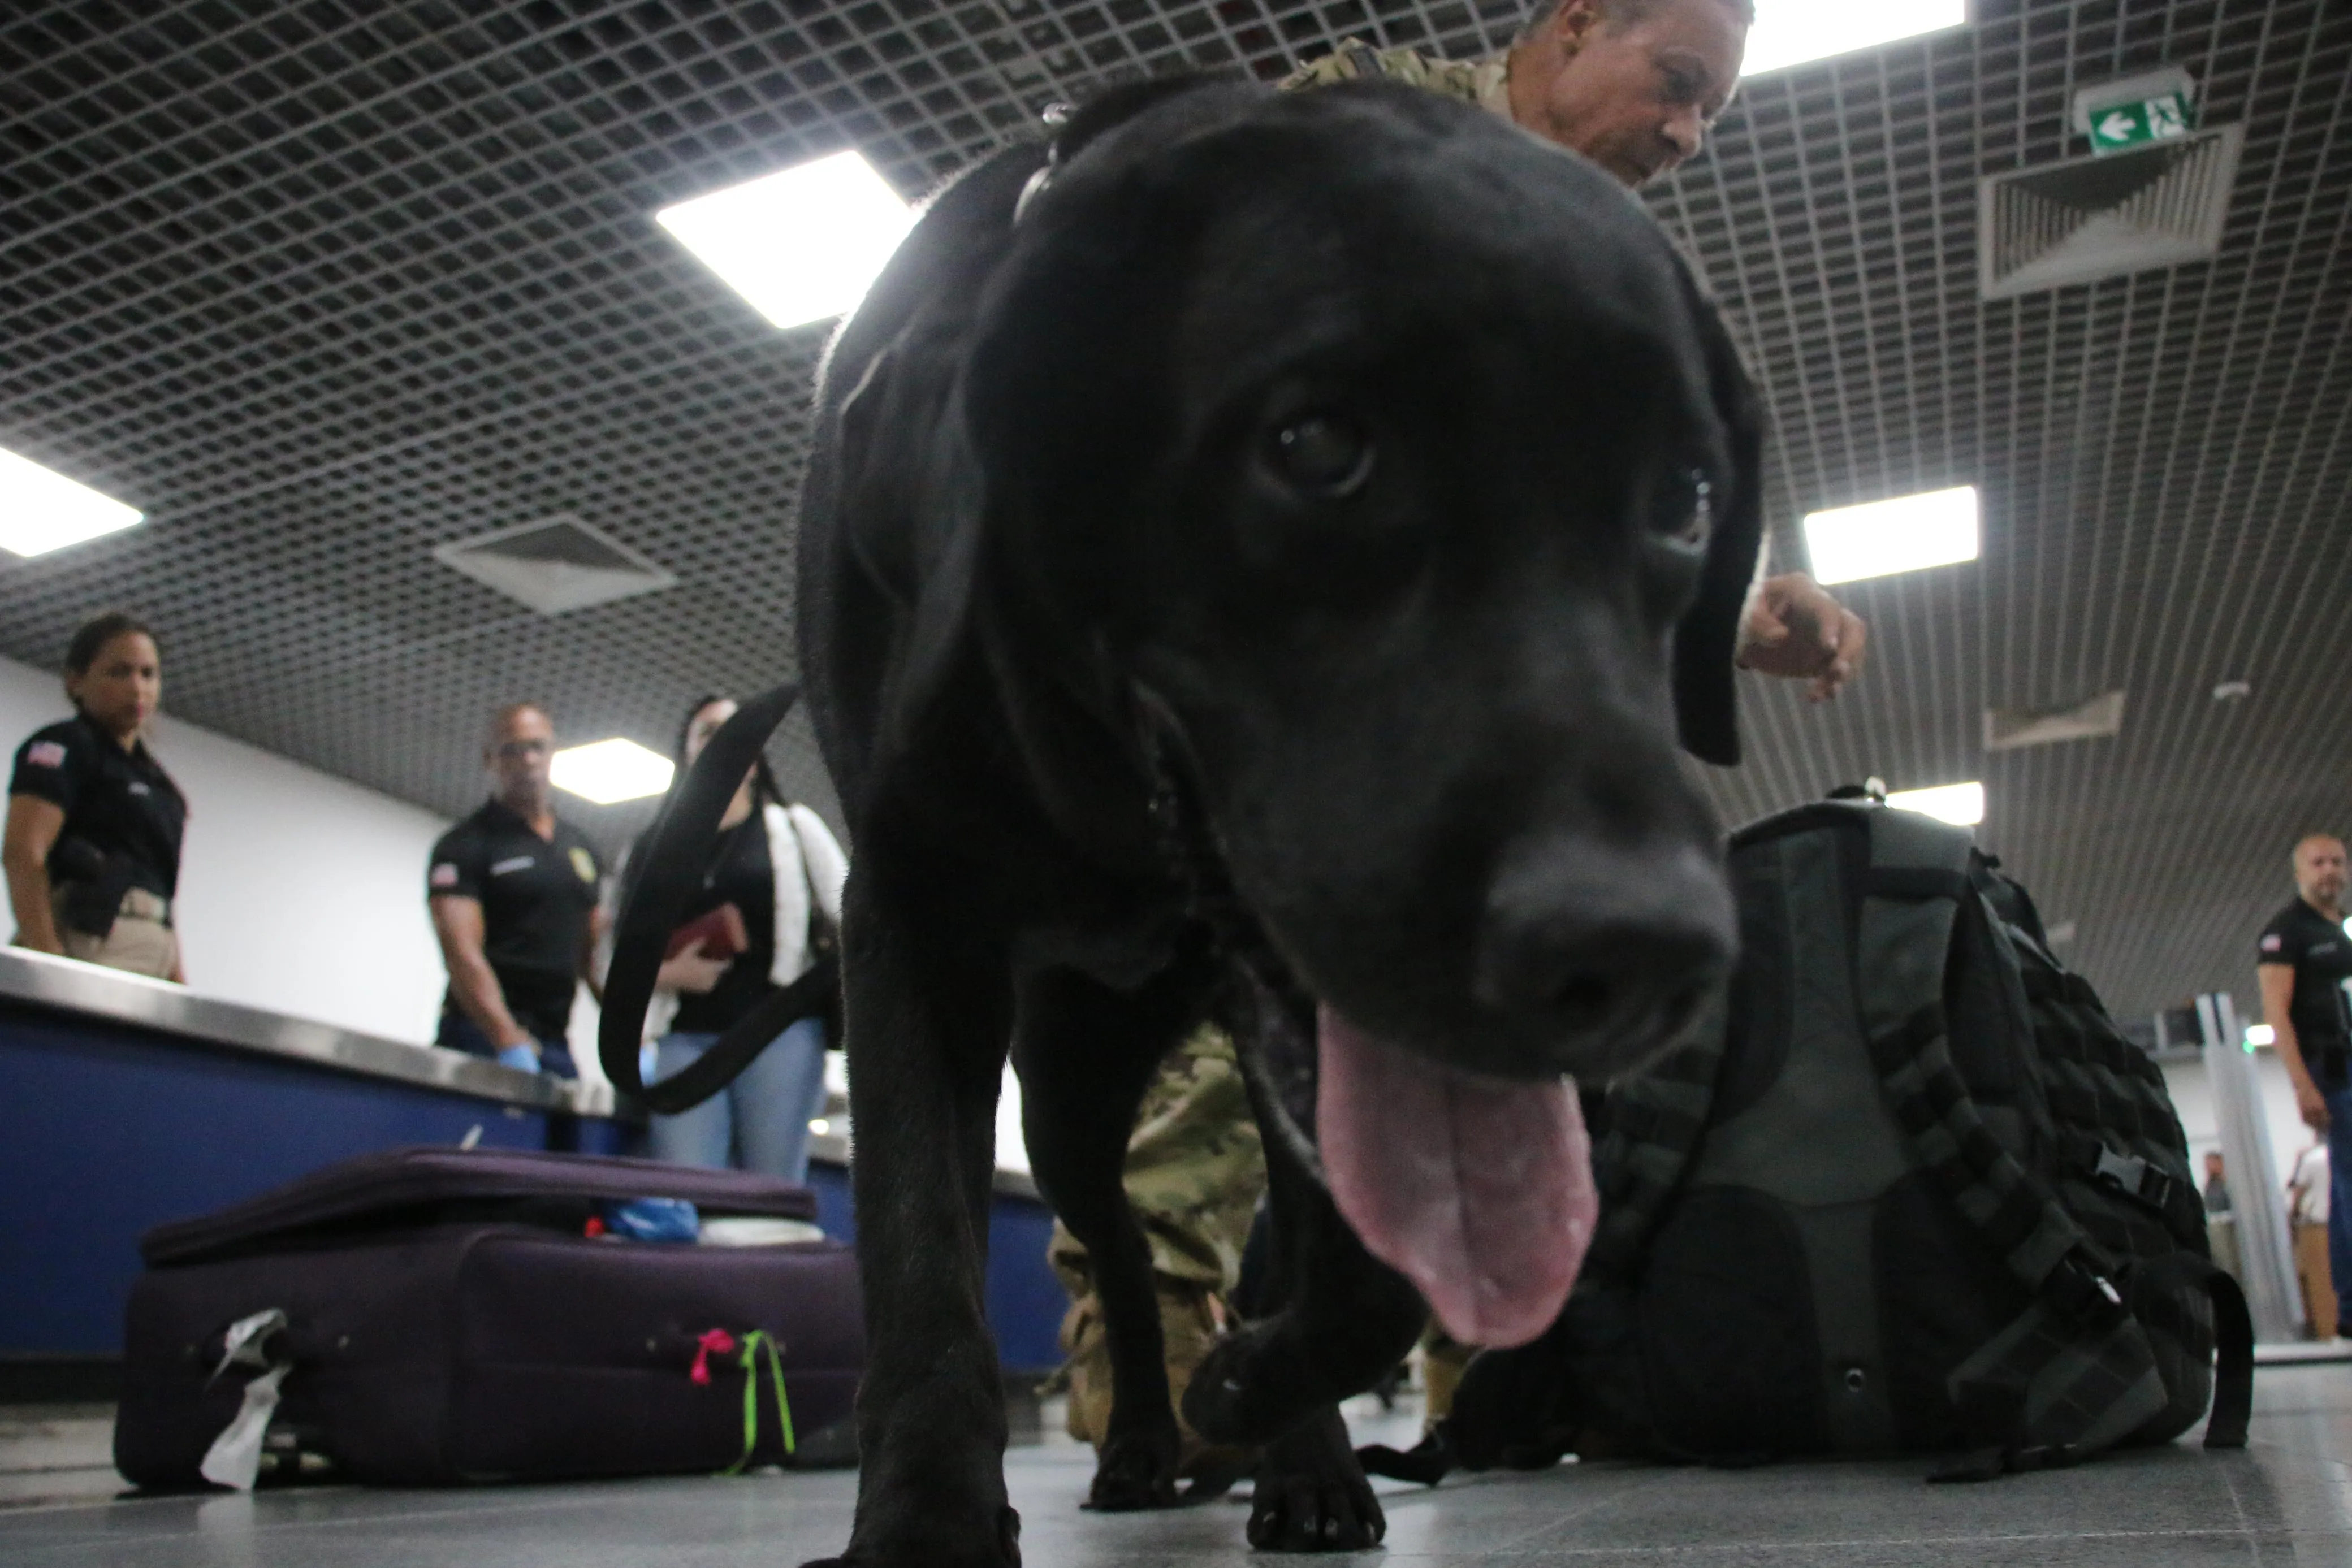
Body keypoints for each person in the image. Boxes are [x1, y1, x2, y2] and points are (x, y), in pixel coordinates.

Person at [1050, 0, 1874, 1461]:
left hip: (1486, 747)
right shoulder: (1353, 124)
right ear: (1573, 26)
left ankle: (1476, 1396)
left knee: (1500, 1049)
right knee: (1205, 1076)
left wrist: (1728, 611)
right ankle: (1155, 1405)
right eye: (1678, 84)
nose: (1687, 134)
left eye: (1712, 117)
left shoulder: (1602, 270)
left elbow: (1555, 537)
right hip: (1313, 720)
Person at [602, 695, 848, 1182]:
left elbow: (855, 917)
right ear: (688, 751)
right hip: (686, 1039)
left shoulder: (794, 827)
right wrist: (669, 974)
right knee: (685, 1188)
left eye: (734, 729)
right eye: (708, 731)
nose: (723, 740)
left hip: (780, 1034)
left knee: (772, 1187)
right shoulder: (652, 848)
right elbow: (615, 957)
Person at [5, 612, 189, 982]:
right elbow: (23, 852)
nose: (137, 688)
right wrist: (48, 964)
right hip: (92, 935)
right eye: (119, 673)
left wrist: (178, 983)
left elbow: (160, 890)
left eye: (148, 674)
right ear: (76, 681)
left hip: (153, 943)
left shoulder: (161, 785)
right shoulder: (64, 746)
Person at [426, 703, 603, 1077]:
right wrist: (506, 1038)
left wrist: (633, 1036)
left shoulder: (580, 847)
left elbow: (593, 958)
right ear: (490, 760)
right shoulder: (464, 846)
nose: (528, 759)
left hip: (554, 1042)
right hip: (481, 1038)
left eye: (538, 747)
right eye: (513, 749)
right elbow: (462, 954)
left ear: (553, 752)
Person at [2257, 832, 2352, 1338]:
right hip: (2327, 1069)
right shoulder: (2286, 932)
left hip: (2347, 1061)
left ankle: (2349, 1309)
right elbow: (2276, 1011)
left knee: (2345, 1182)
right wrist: (2301, 1085)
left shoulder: (2338, 928)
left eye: (2337, 861)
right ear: (2300, 872)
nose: (2330, 870)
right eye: (2319, 863)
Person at [2288, 1137, 2335, 1339]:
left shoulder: (2312, 1159)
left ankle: (2328, 1329)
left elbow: (2298, 1194)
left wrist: (2292, 1216)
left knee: (2323, 1282)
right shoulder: (2337, 1154)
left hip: (2316, 1226)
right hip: (2338, 1221)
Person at [2202, 1150, 2241, 1285]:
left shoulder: (2228, 1183)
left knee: (2231, 1261)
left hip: (2227, 1225)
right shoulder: (2209, 1185)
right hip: (2215, 1225)